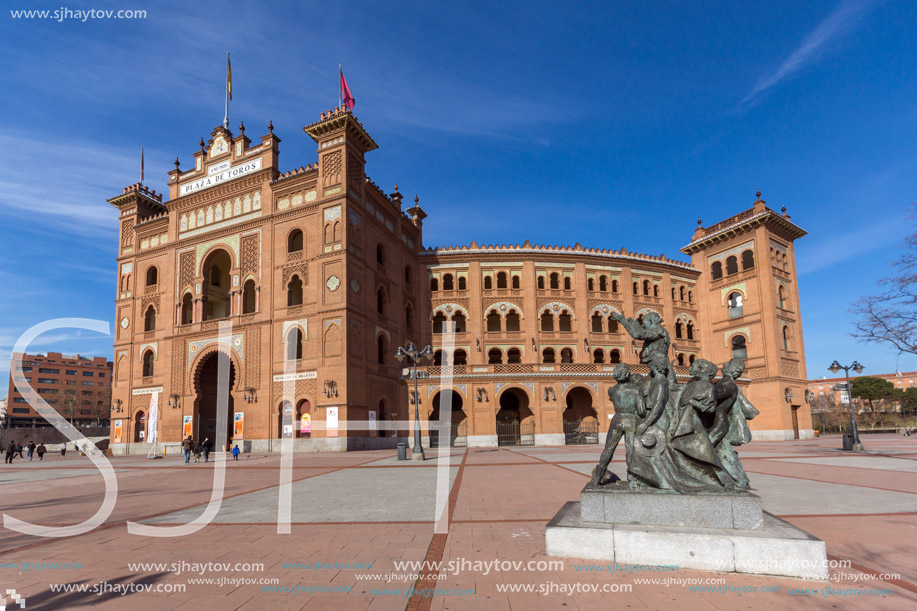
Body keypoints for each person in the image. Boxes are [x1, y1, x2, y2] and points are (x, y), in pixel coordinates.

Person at [591, 363, 646, 486]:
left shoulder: (612, 390)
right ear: (627, 374)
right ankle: (633, 478)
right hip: (631, 419)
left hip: (617, 419)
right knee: (630, 450)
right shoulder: (636, 390)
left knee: (608, 449)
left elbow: (614, 400)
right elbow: (642, 410)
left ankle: (598, 476)